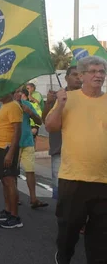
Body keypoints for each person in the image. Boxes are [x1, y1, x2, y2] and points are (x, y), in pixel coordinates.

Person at [45, 56, 107, 264]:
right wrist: (60, 105)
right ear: (81, 76)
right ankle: (63, 256)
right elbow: (51, 127)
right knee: (68, 230)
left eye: (102, 71)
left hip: (104, 181)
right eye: (93, 71)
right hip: (73, 179)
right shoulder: (68, 99)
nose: (99, 75)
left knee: (100, 238)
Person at [43, 66, 82, 200]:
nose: (78, 77)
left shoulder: (87, 97)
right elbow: (46, 122)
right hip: (59, 150)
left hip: (81, 152)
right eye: (74, 74)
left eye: (80, 74)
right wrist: (49, 103)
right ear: (66, 78)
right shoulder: (57, 96)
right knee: (60, 192)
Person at [0, 91, 23, 229]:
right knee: (4, 180)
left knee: (9, 181)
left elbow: (17, 131)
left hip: (6, 149)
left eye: (1, 90)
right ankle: (8, 211)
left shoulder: (14, 106)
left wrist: (10, 153)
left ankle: (15, 217)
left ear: (9, 92)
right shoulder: (6, 106)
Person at [15, 88, 48, 209]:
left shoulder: (27, 104)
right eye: (16, 92)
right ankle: (15, 197)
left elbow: (39, 121)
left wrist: (30, 112)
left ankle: (33, 199)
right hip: (14, 143)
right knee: (14, 172)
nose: (18, 94)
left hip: (27, 141)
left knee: (30, 171)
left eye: (20, 92)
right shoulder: (8, 106)